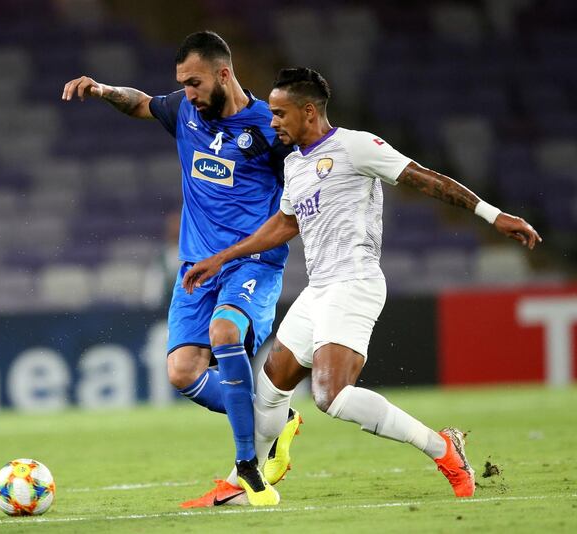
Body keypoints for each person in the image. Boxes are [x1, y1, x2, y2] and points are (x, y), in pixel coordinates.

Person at [183, 67, 542, 499]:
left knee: (331, 396)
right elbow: (281, 225)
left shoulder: (356, 147)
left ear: (309, 112)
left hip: (354, 282)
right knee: (272, 384)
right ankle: (239, 484)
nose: (272, 121)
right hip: (318, 290)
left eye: (280, 113)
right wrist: (220, 259)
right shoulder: (295, 165)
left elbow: (429, 180)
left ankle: (444, 446)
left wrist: (493, 215)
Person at [62, 31, 302, 507]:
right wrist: (106, 91)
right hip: (197, 267)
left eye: (194, 83)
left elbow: (298, 202)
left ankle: (247, 468)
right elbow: (143, 104)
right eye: (183, 84)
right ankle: (273, 424)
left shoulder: (269, 130)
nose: (187, 93)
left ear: (224, 74)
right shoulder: (185, 111)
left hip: (251, 263)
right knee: (181, 372)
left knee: (225, 333)